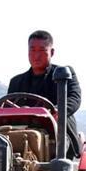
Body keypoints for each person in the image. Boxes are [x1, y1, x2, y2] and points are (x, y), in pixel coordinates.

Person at [7, 30, 82, 159]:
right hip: (23, 133)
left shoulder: (64, 74)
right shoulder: (16, 82)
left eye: (42, 50)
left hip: (57, 133)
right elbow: (8, 109)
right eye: (32, 50)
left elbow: (74, 98)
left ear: (51, 52)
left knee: (58, 147)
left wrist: (55, 111)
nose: (36, 56)